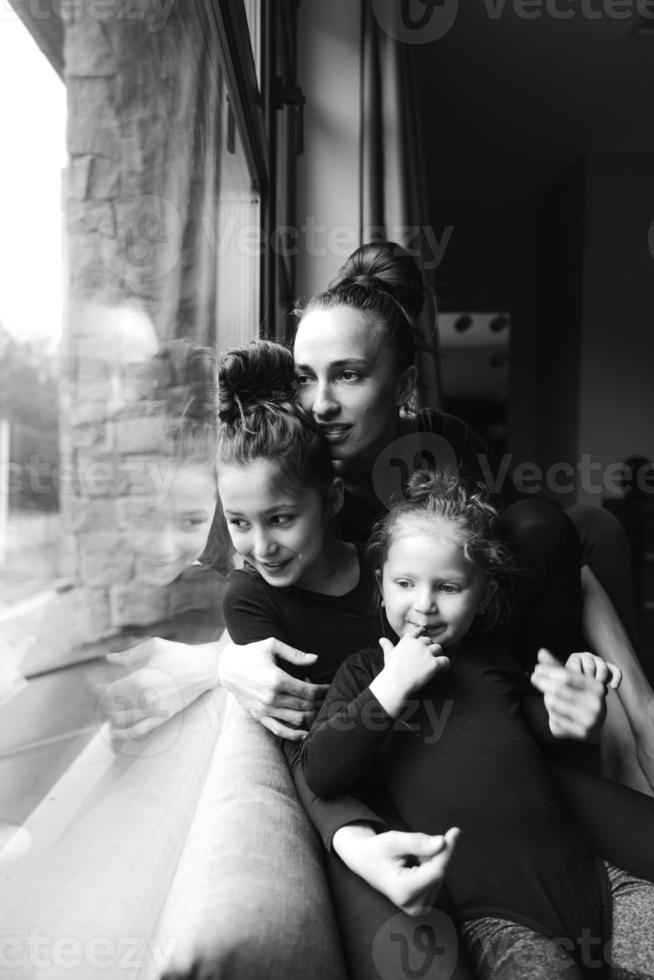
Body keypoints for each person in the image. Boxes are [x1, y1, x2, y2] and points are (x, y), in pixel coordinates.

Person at [300, 472, 654, 980]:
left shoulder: (489, 663)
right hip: (498, 921)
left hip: (599, 885)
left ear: (482, 594)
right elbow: (322, 769)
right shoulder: (364, 673)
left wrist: (571, 707)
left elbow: (532, 733)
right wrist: (391, 687)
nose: (423, 605)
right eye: (404, 583)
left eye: (447, 587)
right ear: (379, 585)